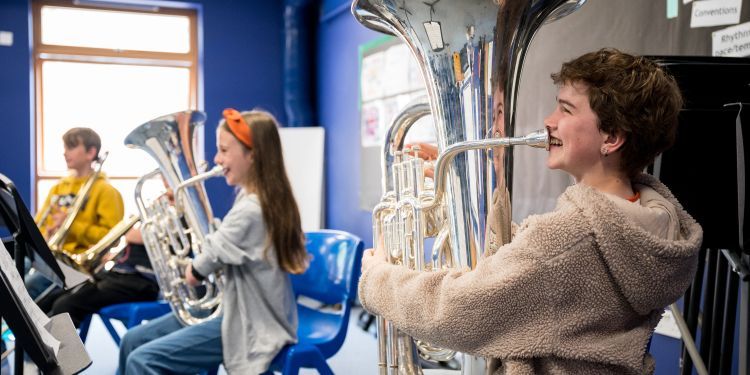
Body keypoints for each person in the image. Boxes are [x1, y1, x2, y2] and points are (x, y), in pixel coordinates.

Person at [358, 48, 703, 374]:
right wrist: (461, 188)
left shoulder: (568, 239)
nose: (549, 120)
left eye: (566, 110)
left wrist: (377, 278)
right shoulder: (646, 223)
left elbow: (455, 310)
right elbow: (534, 269)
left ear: (611, 137)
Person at [118, 109, 308, 375]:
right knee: (131, 340)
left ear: (252, 155)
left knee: (142, 360)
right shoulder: (253, 200)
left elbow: (195, 274)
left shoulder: (252, 209)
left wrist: (188, 266)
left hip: (248, 323)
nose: (217, 159)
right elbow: (218, 246)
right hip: (233, 310)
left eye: (224, 150)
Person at [26, 127, 124, 298]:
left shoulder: (107, 191)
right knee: (11, 272)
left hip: (77, 265)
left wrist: (72, 226)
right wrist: (47, 234)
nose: (65, 153)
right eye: (65, 147)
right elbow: (39, 224)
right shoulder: (58, 187)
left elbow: (111, 239)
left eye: (71, 147)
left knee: (29, 285)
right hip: (49, 255)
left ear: (90, 152)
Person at [34, 223, 159, 327]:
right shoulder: (151, 218)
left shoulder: (170, 219)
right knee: (49, 300)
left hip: (141, 283)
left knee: (64, 306)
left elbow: (137, 236)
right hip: (116, 276)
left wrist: (143, 234)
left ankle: (65, 356)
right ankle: (35, 353)